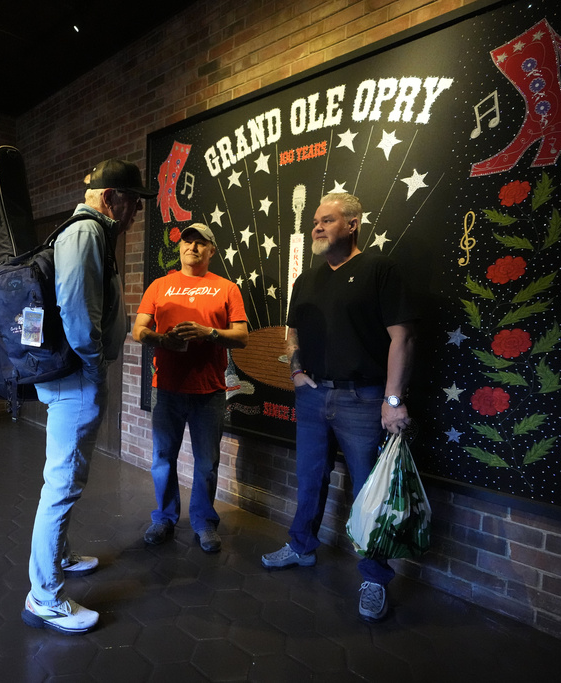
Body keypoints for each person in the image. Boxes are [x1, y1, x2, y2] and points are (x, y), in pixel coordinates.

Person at [261, 192, 417, 623]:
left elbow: (402, 337)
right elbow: (291, 334)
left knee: (370, 491)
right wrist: (295, 370)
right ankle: (302, 546)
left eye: (327, 220)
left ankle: (373, 576)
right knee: (310, 476)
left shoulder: (379, 269)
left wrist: (392, 399)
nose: (317, 227)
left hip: (363, 399)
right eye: (315, 221)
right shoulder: (306, 279)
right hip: (312, 396)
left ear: (353, 223)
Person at [21, 159, 155, 635]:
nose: (137, 213)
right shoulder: (88, 232)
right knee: (62, 484)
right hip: (78, 376)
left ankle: (58, 556)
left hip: (75, 374)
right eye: (133, 202)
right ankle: (45, 595)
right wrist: (95, 363)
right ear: (109, 197)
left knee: (62, 478)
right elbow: (76, 307)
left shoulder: (92, 231)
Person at [133, 223, 248, 553]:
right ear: (180, 248)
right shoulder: (160, 286)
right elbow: (139, 328)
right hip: (167, 388)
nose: (192, 248)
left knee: (206, 462)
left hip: (209, 391)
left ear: (212, 251)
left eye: (201, 243)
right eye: (188, 242)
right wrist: (160, 338)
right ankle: (165, 517)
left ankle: (204, 521)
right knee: (163, 459)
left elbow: (241, 336)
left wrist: (208, 332)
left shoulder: (226, 289)